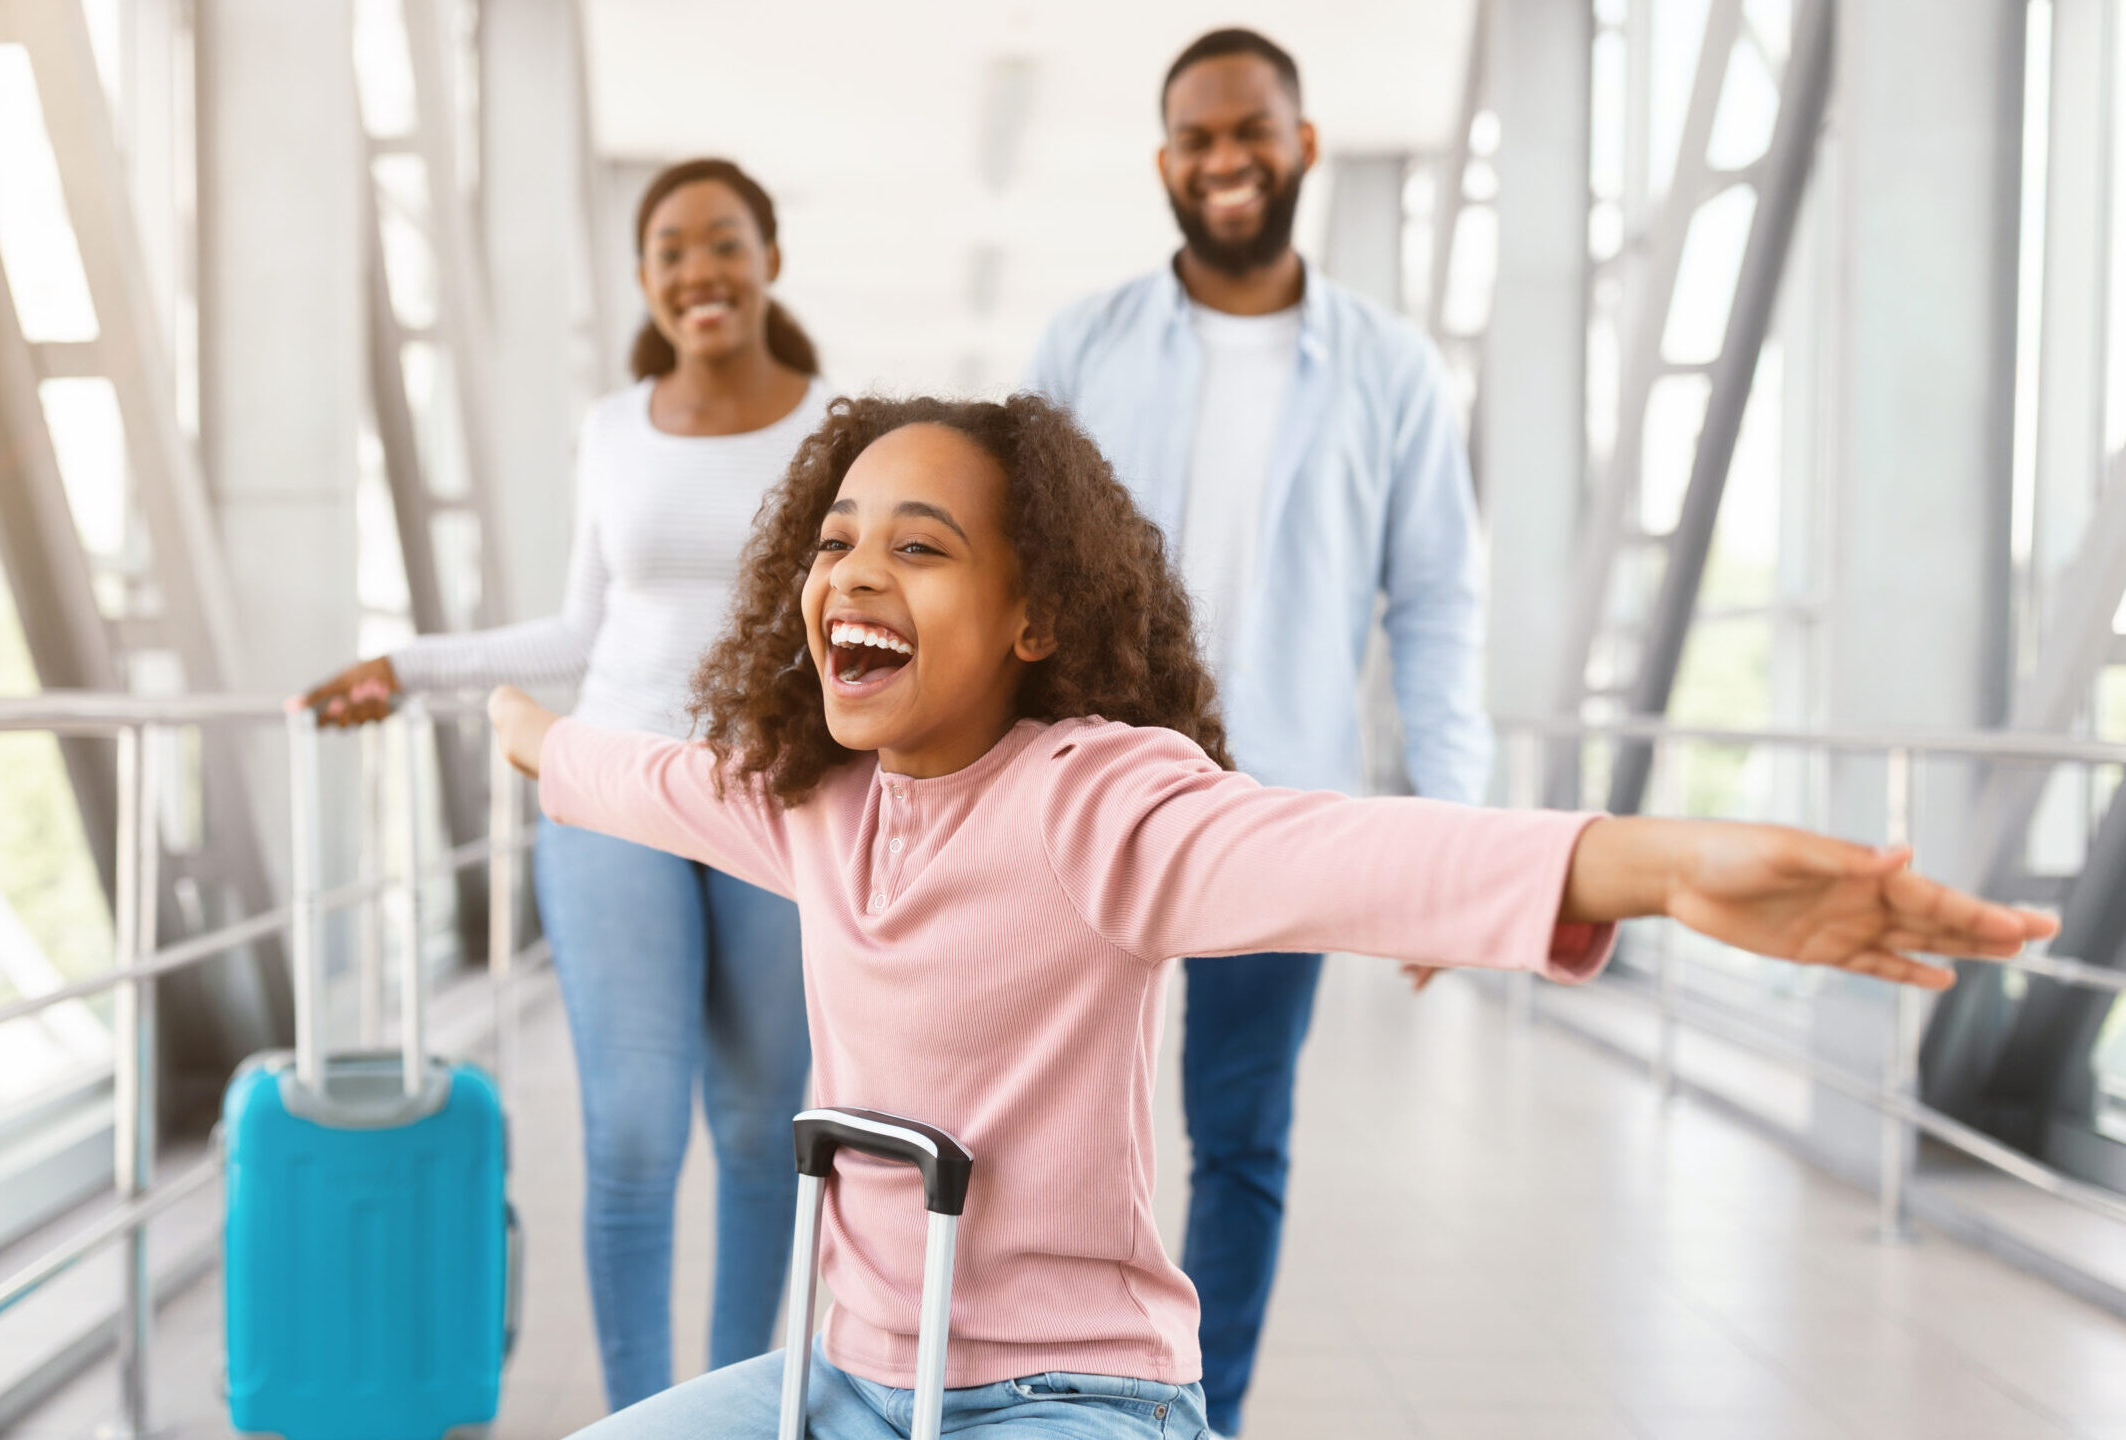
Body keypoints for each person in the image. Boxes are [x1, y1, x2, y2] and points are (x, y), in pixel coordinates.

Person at [482, 392, 2050, 1440]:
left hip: (1063, 1398)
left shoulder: (1095, 803)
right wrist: (525, 729)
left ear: (1034, 620)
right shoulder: (816, 802)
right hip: (844, 1384)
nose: (853, 572)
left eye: (919, 546)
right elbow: (642, 776)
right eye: (833, 541)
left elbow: (1342, 852)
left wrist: (1657, 866)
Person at [301, 158, 833, 1410]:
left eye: (723, 242)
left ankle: (737, 1413)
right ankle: (646, 1422)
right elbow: (577, 633)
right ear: (645, 278)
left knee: (762, 1136)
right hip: (612, 789)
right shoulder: (612, 427)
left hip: (775, 803)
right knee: (636, 1134)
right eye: (671, 250)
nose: (699, 269)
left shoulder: (840, 429)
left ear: (767, 259)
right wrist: (408, 666)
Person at [1021, 28, 1486, 1431]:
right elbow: (1014, 573)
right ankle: (1033, 1399)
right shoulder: (1082, 343)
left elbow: (1440, 605)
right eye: (1200, 140)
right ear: (1168, 163)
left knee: (1239, 1143)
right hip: (1080, 795)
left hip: (1274, 810)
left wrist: (1453, 845)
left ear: (1303, 146)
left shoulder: (1391, 371)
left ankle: (1194, 1421)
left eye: (1252, 133)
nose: (1228, 161)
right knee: (1042, 1134)